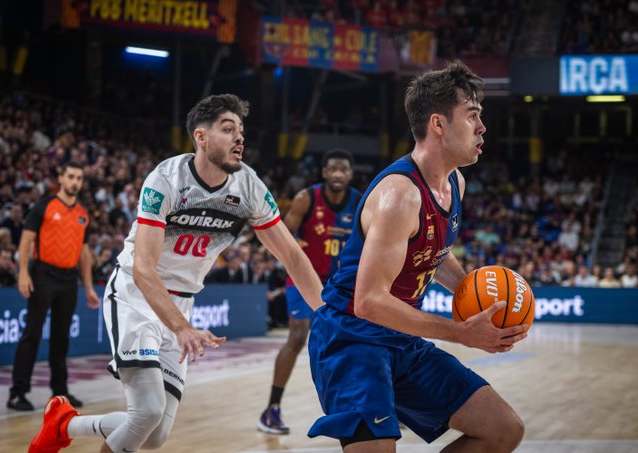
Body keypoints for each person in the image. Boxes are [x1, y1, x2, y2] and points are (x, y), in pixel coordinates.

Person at [28, 94, 325, 453]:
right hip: (136, 295)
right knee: (147, 411)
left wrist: (326, 315)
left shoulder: (249, 186)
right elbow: (143, 270)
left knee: (154, 435)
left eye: (241, 131)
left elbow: (292, 256)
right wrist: (181, 329)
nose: (239, 138)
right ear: (201, 137)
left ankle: (65, 424)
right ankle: (64, 424)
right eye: (228, 129)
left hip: (181, 302)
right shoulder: (165, 180)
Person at [307, 61, 529, 452]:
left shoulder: (454, 181)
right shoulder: (400, 195)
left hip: (400, 337)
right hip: (351, 340)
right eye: (472, 116)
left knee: (502, 429)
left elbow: (435, 253)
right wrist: (460, 332)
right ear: (438, 124)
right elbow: (368, 301)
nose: (481, 128)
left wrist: (475, 296)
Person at [259, 148, 360, 435]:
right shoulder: (307, 198)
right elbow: (283, 233)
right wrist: (293, 244)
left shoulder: (359, 203)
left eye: (344, 169)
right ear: (325, 173)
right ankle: (271, 410)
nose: (338, 173)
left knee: (355, 341)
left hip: (338, 283)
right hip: (304, 276)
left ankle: (371, 407)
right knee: (298, 334)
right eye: (333, 169)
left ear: (350, 174)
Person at [8, 162, 100, 411]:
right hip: (43, 274)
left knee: (61, 337)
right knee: (32, 334)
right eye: (70, 176)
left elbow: (84, 254)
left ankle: (60, 392)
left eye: (79, 178)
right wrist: (23, 273)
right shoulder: (44, 206)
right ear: (61, 178)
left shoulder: (83, 213)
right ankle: (18, 392)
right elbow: (26, 241)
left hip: (69, 279)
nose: (75, 182)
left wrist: (89, 287)